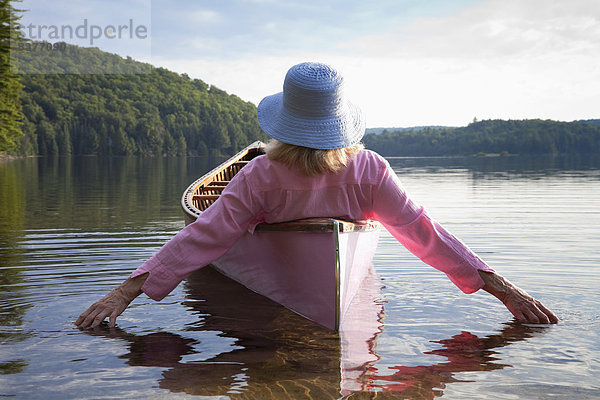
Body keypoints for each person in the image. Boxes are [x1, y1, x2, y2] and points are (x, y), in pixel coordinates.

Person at [76, 62, 558, 329]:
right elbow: (422, 234)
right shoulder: (370, 168)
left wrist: (125, 291)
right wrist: (501, 288)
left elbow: (207, 235)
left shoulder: (259, 174)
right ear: (340, 121)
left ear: (284, 121)